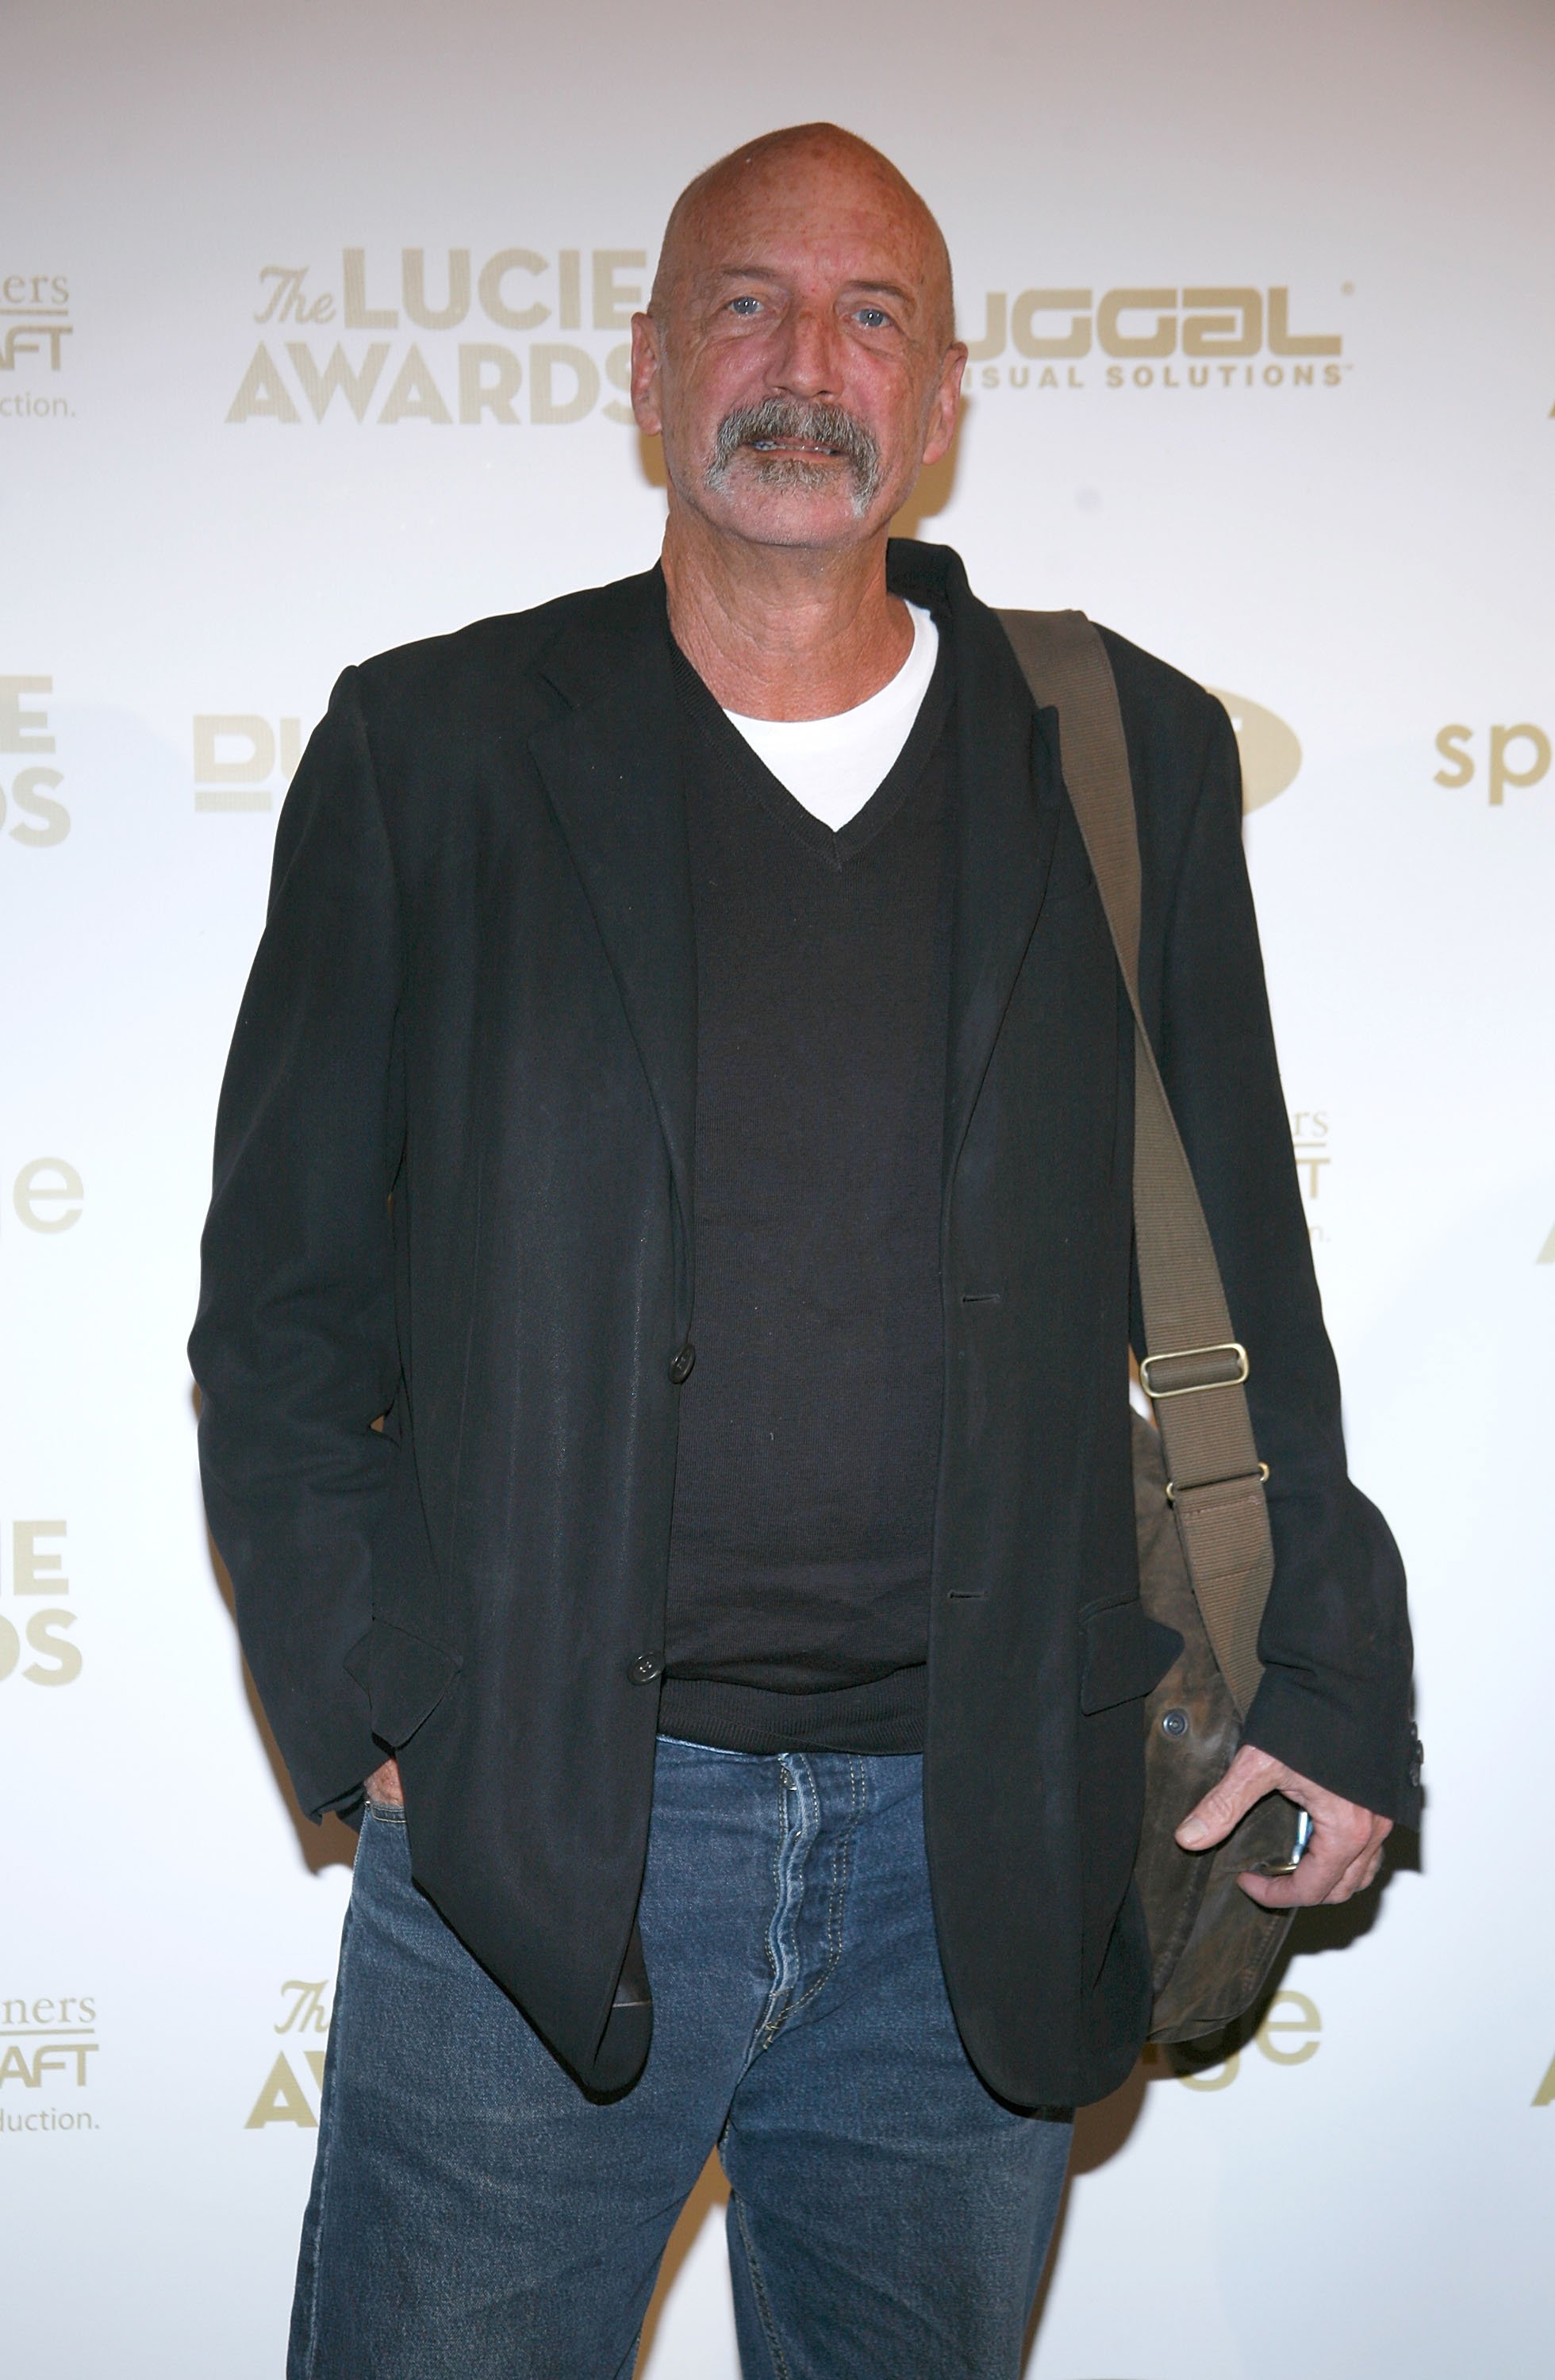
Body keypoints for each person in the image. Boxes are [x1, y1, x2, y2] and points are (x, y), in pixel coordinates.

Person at [190, 121, 1420, 2380]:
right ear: (652, 376)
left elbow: (1239, 1264)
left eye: (873, 320)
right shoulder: (433, 751)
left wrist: (1334, 1676)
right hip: (536, 1840)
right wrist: (392, 1719)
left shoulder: (1113, 744)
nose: (805, 364)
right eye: (748, 305)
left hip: (984, 1852)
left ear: (941, 405)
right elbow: (276, 1306)